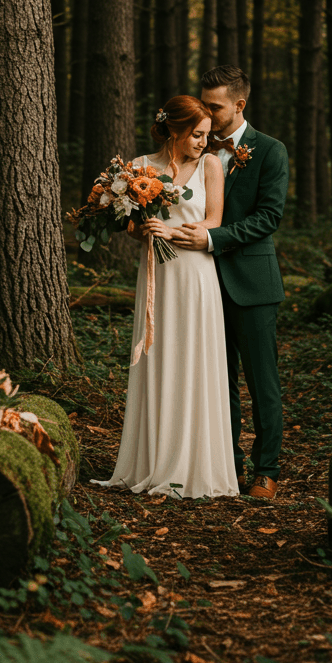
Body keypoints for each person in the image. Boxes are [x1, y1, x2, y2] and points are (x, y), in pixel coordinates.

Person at [93, 95, 239, 499]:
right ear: (173, 130)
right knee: (160, 358)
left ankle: (195, 464)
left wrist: (170, 231)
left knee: (194, 359)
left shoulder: (211, 165)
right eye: (196, 135)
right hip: (157, 272)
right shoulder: (139, 167)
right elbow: (132, 228)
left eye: (207, 136)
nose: (203, 143)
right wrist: (143, 230)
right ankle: (153, 459)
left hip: (195, 276)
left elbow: (213, 222)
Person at [170, 66, 289, 501]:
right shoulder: (193, 150)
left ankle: (267, 471)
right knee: (218, 380)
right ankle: (227, 465)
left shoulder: (271, 151)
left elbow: (269, 218)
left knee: (262, 382)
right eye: (203, 102)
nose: (206, 111)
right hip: (200, 285)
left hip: (252, 284)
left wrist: (212, 238)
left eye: (214, 106)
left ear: (240, 105)